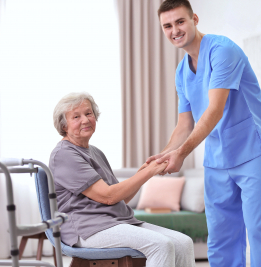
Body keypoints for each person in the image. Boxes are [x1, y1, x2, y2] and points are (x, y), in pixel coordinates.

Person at [141, 0, 261, 266]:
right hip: (217, 159)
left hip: (251, 151)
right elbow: (184, 124)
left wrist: (181, 154)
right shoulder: (182, 71)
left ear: (194, 19)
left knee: (257, 230)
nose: (175, 30)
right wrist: (163, 155)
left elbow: (215, 111)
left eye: (180, 21)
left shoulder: (223, 51)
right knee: (220, 237)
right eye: (167, 26)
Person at [49, 92, 196, 267]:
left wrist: (142, 174)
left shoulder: (95, 152)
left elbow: (121, 198)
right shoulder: (65, 154)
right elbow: (108, 196)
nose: (85, 120)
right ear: (64, 126)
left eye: (88, 113)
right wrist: (149, 172)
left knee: (184, 243)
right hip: (88, 228)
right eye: (76, 116)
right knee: (161, 245)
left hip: (114, 221)